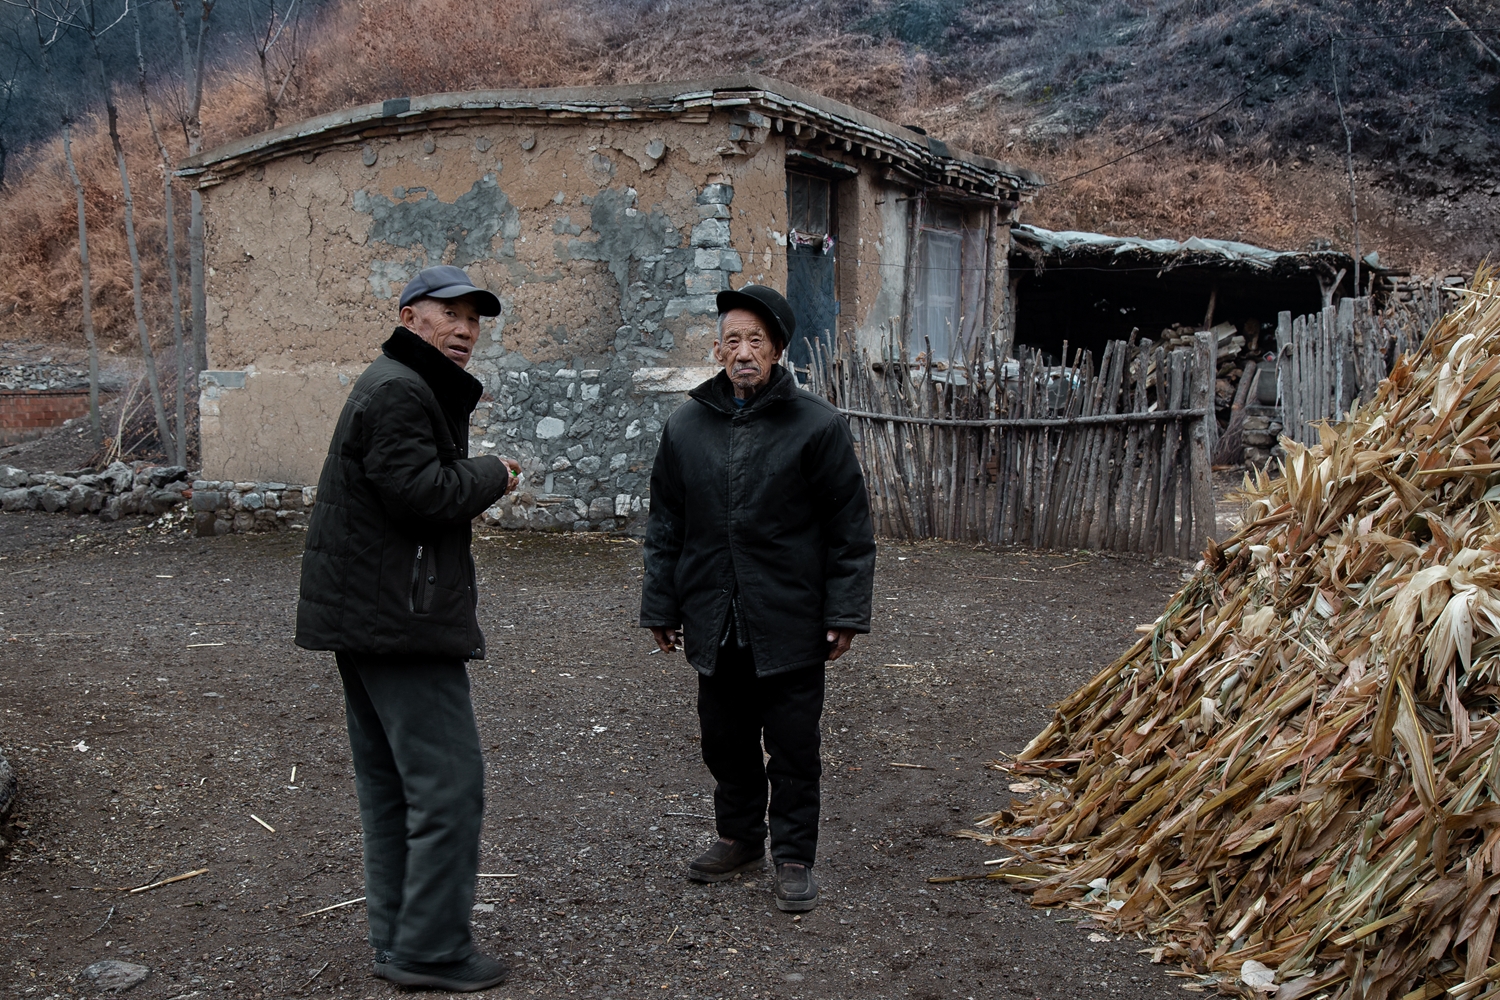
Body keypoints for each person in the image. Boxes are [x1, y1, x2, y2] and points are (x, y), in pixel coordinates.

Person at [295, 265, 520, 992]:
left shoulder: (405, 384)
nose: (463, 329)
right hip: (398, 618)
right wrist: (496, 472)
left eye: (474, 318)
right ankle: (429, 949)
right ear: (409, 316)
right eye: (448, 314)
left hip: (373, 613)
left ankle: (399, 940)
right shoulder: (399, 389)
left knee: (393, 786)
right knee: (450, 785)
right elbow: (422, 495)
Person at [639, 284, 876, 913]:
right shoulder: (686, 426)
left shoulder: (817, 427)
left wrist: (846, 611)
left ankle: (794, 855)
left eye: (757, 340)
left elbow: (849, 530)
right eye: (734, 340)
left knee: (794, 744)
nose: (745, 352)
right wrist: (661, 605)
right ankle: (740, 837)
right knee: (724, 738)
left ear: (776, 350)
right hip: (714, 619)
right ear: (717, 348)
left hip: (790, 618)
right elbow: (665, 524)